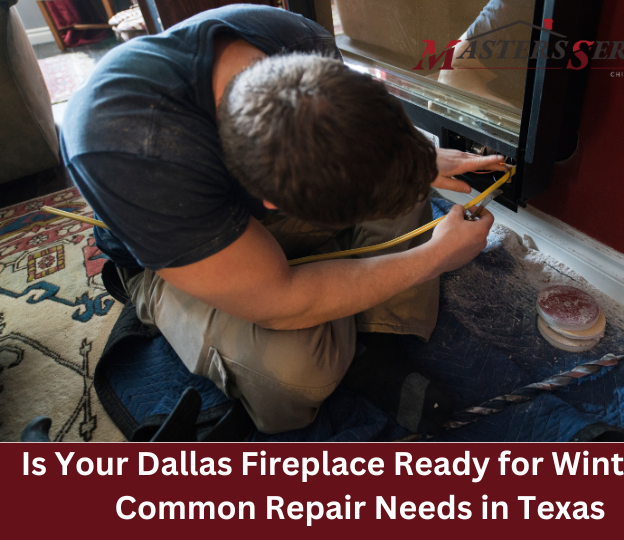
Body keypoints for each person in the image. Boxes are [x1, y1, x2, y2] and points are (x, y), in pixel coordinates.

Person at [61, 5, 508, 435]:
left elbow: (351, 138)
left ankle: (373, 347)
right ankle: (348, 340)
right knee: (298, 372)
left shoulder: (298, 40)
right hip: (177, 253)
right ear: (270, 202)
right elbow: (278, 299)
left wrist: (418, 158)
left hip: (230, 193)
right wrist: (434, 258)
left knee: (404, 190)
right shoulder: (131, 155)